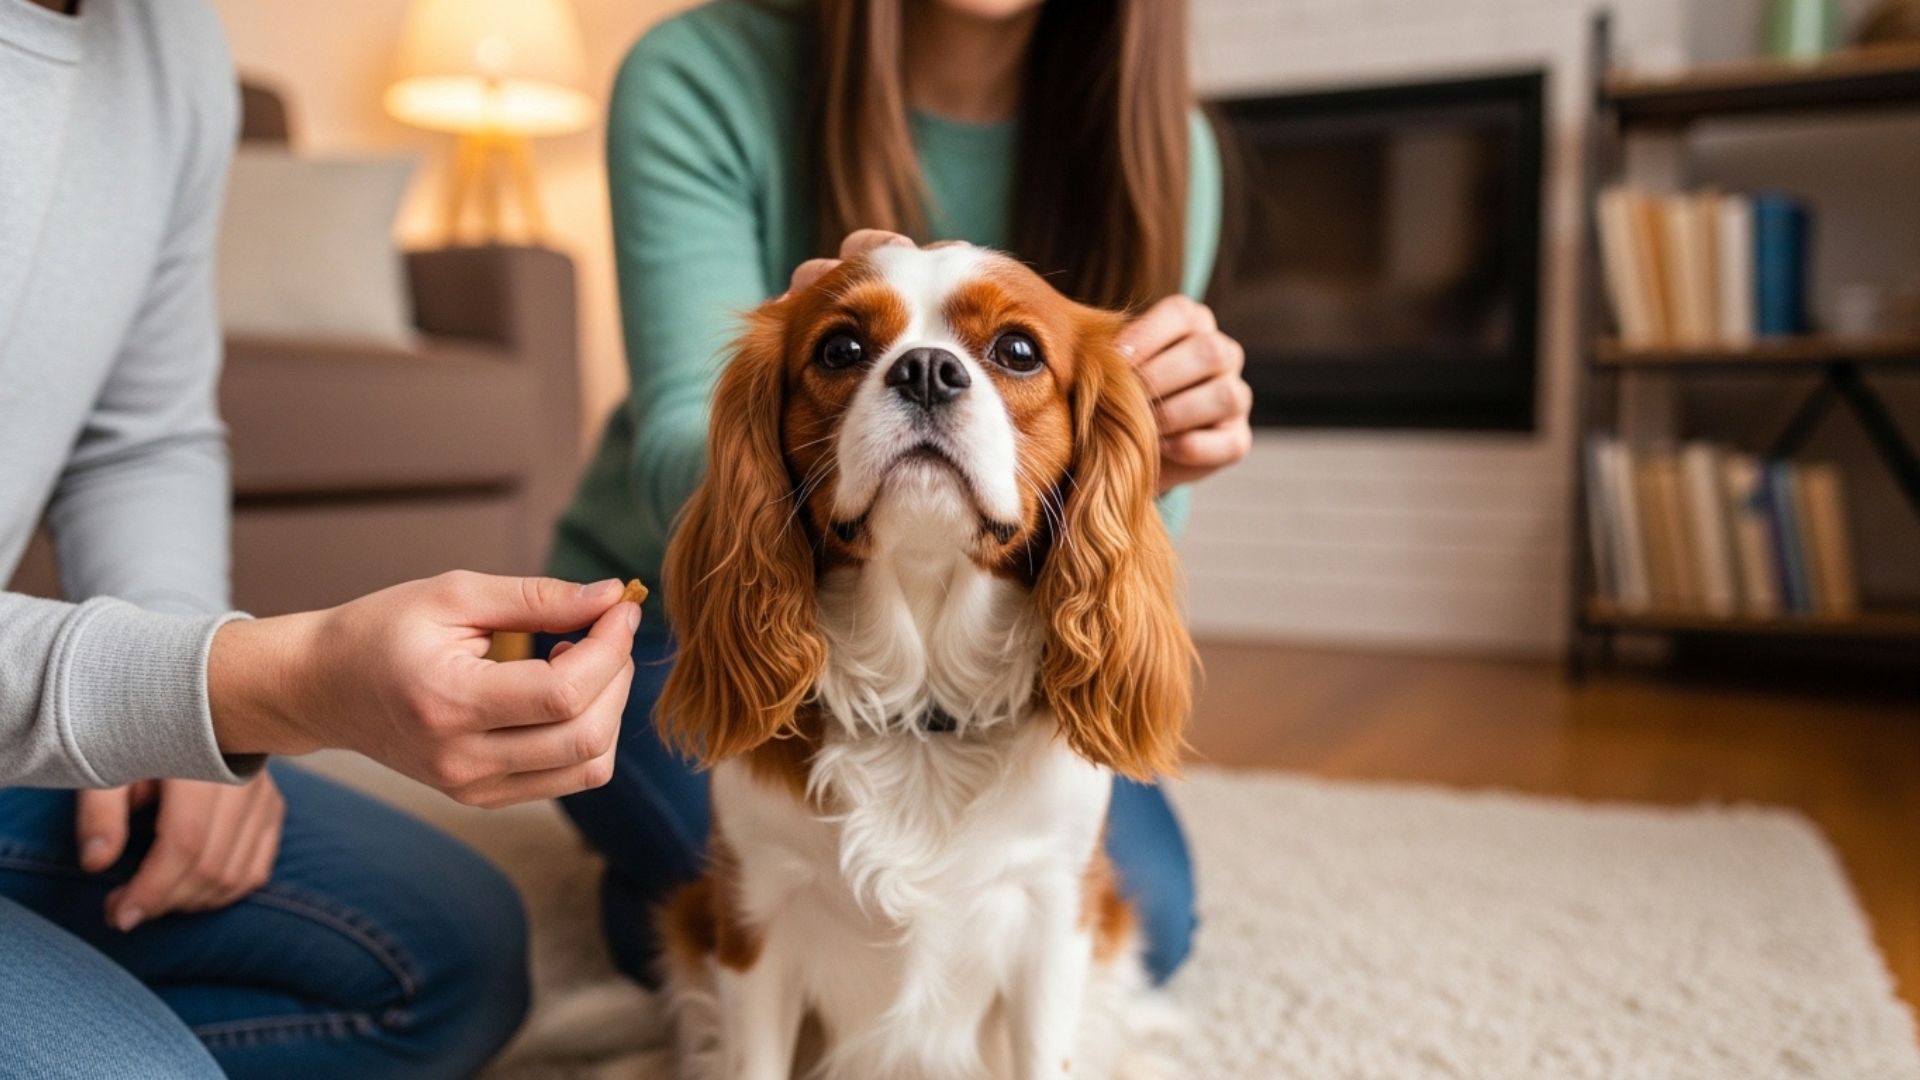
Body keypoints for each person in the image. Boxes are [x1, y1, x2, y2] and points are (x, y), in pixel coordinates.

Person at [544, 0, 1253, 990]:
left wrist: (1147, 459)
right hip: (676, 619)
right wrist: (790, 392)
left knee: (1145, 924)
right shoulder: (698, 71)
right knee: (759, 897)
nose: (932, 378)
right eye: (848, 350)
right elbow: (679, 434)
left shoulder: (1163, 147)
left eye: (1008, 354)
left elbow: (1108, 547)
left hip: (984, 649)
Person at [0, 0, 639, 1075]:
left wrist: (175, 703)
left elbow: (141, 437)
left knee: (448, 955)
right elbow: (242, 683)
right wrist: (254, 685)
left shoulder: (166, 43)